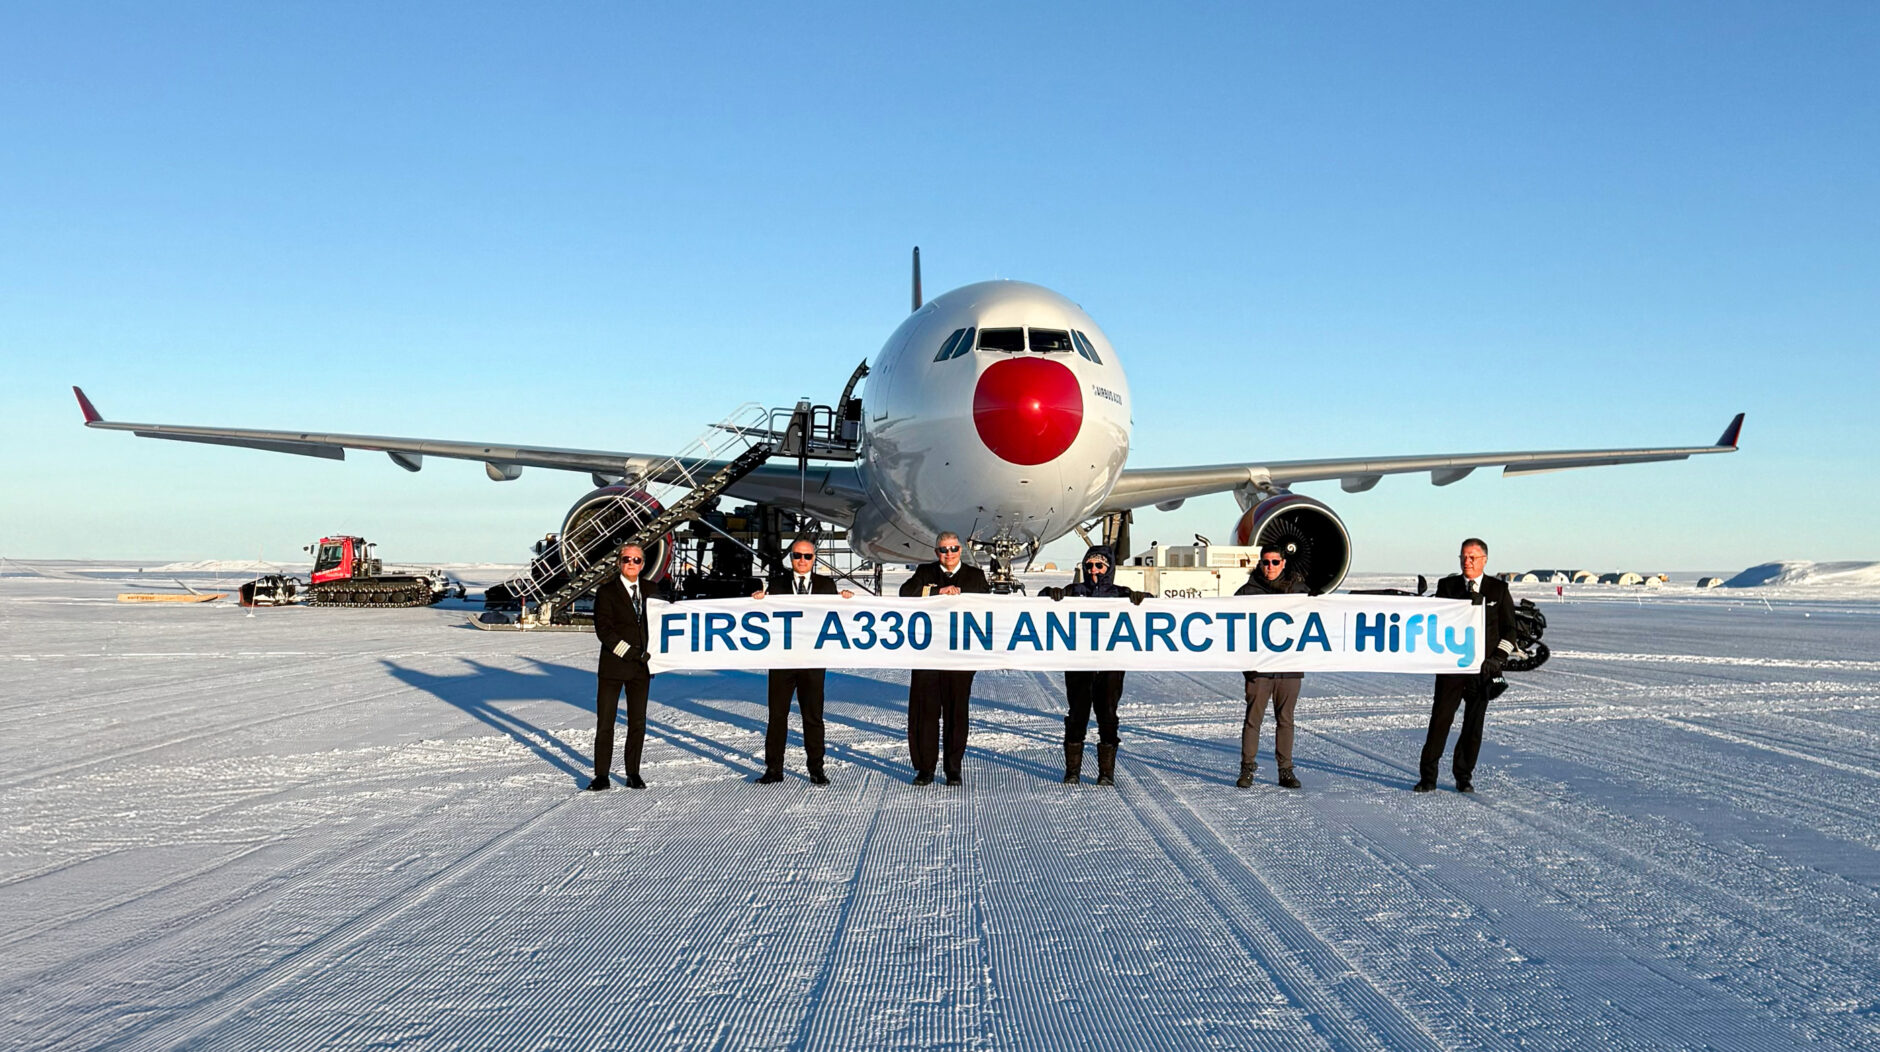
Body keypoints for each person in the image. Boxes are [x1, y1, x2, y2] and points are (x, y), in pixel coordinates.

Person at [1415, 537, 1519, 793]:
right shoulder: (1447, 586)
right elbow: (1434, 621)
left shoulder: (1498, 589)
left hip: (1483, 671)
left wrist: (1497, 659)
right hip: (1451, 669)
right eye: (1463, 557)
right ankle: (1428, 777)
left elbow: (1510, 630)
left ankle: (1463, 776)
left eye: (1472, 557)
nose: (1467, 562)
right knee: (1440, 721)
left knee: (1473, 726)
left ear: (1484, 560)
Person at [750, 538, 854, 785]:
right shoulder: (777, 584)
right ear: (791, 558)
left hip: (812, 662)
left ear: (814, 558)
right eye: (798, 555)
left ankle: (816, 768)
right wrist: (757, 601)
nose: (802, 560)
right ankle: (774, 768)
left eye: (807, 556)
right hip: (782, 661)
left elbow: (839, 614)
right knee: (777, 716)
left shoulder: (826, 585)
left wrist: (846, 600)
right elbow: (765, 615)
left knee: (813, 717)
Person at [1040, 544, 1145, 785]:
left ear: (1109, 568)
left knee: (1107, 715)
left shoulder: (1121, 594)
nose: (1094, 570)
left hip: (1110, 665)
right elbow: (1040, 603)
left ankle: (1106, 773)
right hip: (1079, 664)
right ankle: (1072, 771)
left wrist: (1143, 600)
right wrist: (1049, 593)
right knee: (1077, 715)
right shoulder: (1074, 591)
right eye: (1089, 566)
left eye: (1099, 565)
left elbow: (1153, 610)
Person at [898, 531, 991, 785]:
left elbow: (988, 606)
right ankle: (925, 768)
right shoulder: (925, 572)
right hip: (928, 655)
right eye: (943, 550)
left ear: (961, 550)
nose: (949, 554)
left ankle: (953, 769)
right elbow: (906, 592)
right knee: (925, 714)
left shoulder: (975, 576)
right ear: (936, 552)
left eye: (953, 549)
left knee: (956, 713)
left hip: (960, 656)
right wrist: (938, 591)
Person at [1235, 543, 1309, 789]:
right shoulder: (1247, 592)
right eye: (1266, 562)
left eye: (1275, 562)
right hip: (1259, 668)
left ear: (1283, 563)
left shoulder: (1300, 591)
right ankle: (1247, 768)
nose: (1270, 567)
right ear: (1260, 563)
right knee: (1253, 720)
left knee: (1285, 720)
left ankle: (1285, 770)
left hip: (1289, 667)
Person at [589, 542, 662, 791]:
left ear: (643, 564)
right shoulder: (606, 592)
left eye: (636, 560)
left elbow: (668, 620)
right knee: (605, 723)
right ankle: (601, 775)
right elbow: (604, 631)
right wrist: (632, 653)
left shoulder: (652, 590)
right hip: (614, 666)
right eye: (626, 559)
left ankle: (633, 772)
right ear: (619, 563)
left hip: (642, 668)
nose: (631, 563)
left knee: (637, 723)